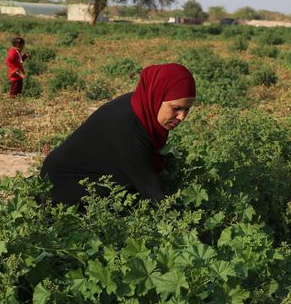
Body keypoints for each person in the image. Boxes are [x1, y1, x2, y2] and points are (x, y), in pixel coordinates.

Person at [40, 63, 196, 206]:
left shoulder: (140, 106)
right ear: (157, 96)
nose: (182, 117)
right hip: (62, 187)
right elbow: (153, 194)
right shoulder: (128, 126)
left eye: (186, 109)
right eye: (176, 108)